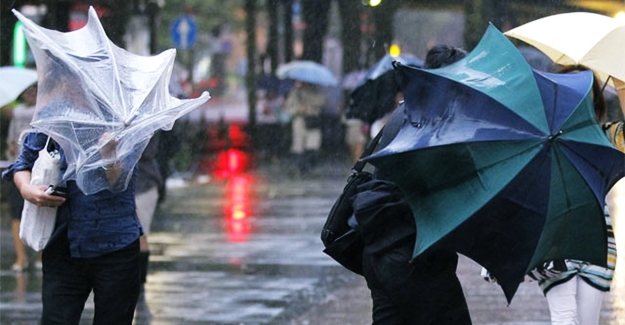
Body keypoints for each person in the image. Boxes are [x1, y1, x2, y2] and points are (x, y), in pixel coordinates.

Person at [351, 44, 472, 324]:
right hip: (414, 255)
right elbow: (438, 191)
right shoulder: (434, 123)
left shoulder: (406, 113)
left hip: (380, 248)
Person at [3, 128, 143, 323]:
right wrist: (27, 189)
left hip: (115, 244)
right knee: (55, 319)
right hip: (63, 242)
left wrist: (109, 154)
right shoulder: (54, 119)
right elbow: (22, 164)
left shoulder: (121, 123)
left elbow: (118, 183)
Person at [526, 65, 623, 325]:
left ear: (594, 99)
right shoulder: (541, 137)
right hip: (555, 239)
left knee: (587, 322)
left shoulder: (602, 137)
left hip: (597, 241)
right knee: (565, 318)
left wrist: (622, 86)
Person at [4, 82, 42, 272]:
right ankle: (21, 257)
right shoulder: (17, 113)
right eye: (26, 91)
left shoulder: (43, 110)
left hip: (40, 170)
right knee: (17, 215)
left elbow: (17, 114)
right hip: (19, 169)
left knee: (42, 213)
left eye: (33, 90)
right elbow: (11, 139)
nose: (30, 94)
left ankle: (41, 257)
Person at [135, 132, 164, 289]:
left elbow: (147, 152)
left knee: (140, 233)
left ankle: (140, 283)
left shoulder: (148, 124)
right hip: (125, 186)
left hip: (144, 185)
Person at [282, 81, 326, 174]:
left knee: (313, 145)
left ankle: (309, 165)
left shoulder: (315, 92)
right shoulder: (295, 93)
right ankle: (301, 167)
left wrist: (309, 104)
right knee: (298, 145)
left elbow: (322, 103)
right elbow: (288, 107)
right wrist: (297, 109)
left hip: (312, 120)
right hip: (299, 121)